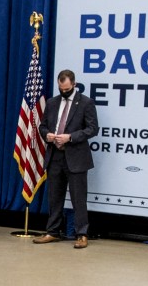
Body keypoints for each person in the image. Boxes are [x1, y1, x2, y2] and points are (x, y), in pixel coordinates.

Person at [33, 70, 100, 249]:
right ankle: (52, 232)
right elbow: (43, 126)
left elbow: (93, 129)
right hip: (55, 155)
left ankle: (82, 234)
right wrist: (47, 135)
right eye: (61, 89)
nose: (64, 92)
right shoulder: (52, 102)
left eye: (67, 89)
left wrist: (70, 137)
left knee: (79, 198)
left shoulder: (86, 102)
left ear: (74, 85)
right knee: (54, 196)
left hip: (76, 156)